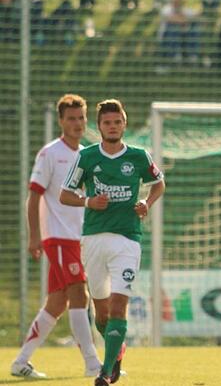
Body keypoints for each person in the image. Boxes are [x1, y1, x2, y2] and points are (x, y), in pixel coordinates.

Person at [60, 99, 166, 386]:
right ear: (99, 126)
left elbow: (159, 183)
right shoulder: (87, 158)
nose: (113, 126)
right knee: (103, 315)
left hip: (127, 239)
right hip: (93, 239)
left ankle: (105, 373)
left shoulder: (139, 156)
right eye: (107, 123)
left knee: (119, 306)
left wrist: (147, 201)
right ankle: (116, 352)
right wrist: (89, 201)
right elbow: (65, 194)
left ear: (124, 123)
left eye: (117, 122)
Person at [10, 95, 100, 379]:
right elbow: (34, 195)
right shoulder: (50, 153)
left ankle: (20, 362)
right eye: (71, 118)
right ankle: (93, 364)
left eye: (81, 118)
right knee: (79, 294)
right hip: (58, 237)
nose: (77, 123)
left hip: (78, 239)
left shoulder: (85, 154)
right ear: (61, 121)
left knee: (57, 303)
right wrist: (34, 236)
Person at [156, 0, 200, 72]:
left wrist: (188, 18)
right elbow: (170, 19)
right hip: (167, 38)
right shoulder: (166, 9)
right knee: (173, 28)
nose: (178, 1)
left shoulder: (186, 10)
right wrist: (185, 19)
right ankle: (172, 57)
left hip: (183, 38)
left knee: (195, 29)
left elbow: (197, 15)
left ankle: (192, 57)